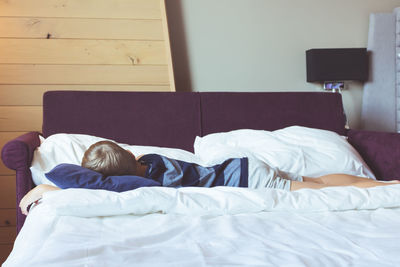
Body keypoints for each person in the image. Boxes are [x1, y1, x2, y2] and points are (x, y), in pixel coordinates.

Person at [20, 141, 399, 215]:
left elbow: (101, 184)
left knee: (315, 191)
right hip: (246, 165)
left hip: (250, 182)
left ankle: (385, 189)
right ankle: (382, 185)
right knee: (315, 180)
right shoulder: (151, 162)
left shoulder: (152, 184)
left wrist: (52, 183)